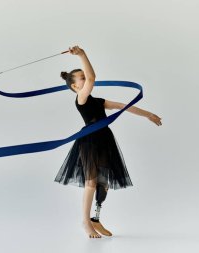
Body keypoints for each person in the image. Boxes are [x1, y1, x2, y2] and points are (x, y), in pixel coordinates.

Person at [54, 45, 162, 239]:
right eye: (83, 78)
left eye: (85, 77)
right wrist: (82, 55)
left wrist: (148, 115)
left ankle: (96, 218)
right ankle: (85, 222)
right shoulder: (81, 98)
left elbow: (122, 106)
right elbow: (93, 78)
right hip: (90, 141)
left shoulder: (97, 100)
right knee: (91, 182)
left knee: (104, 183)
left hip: (104, 139)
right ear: (75, 87)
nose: (87, 79)